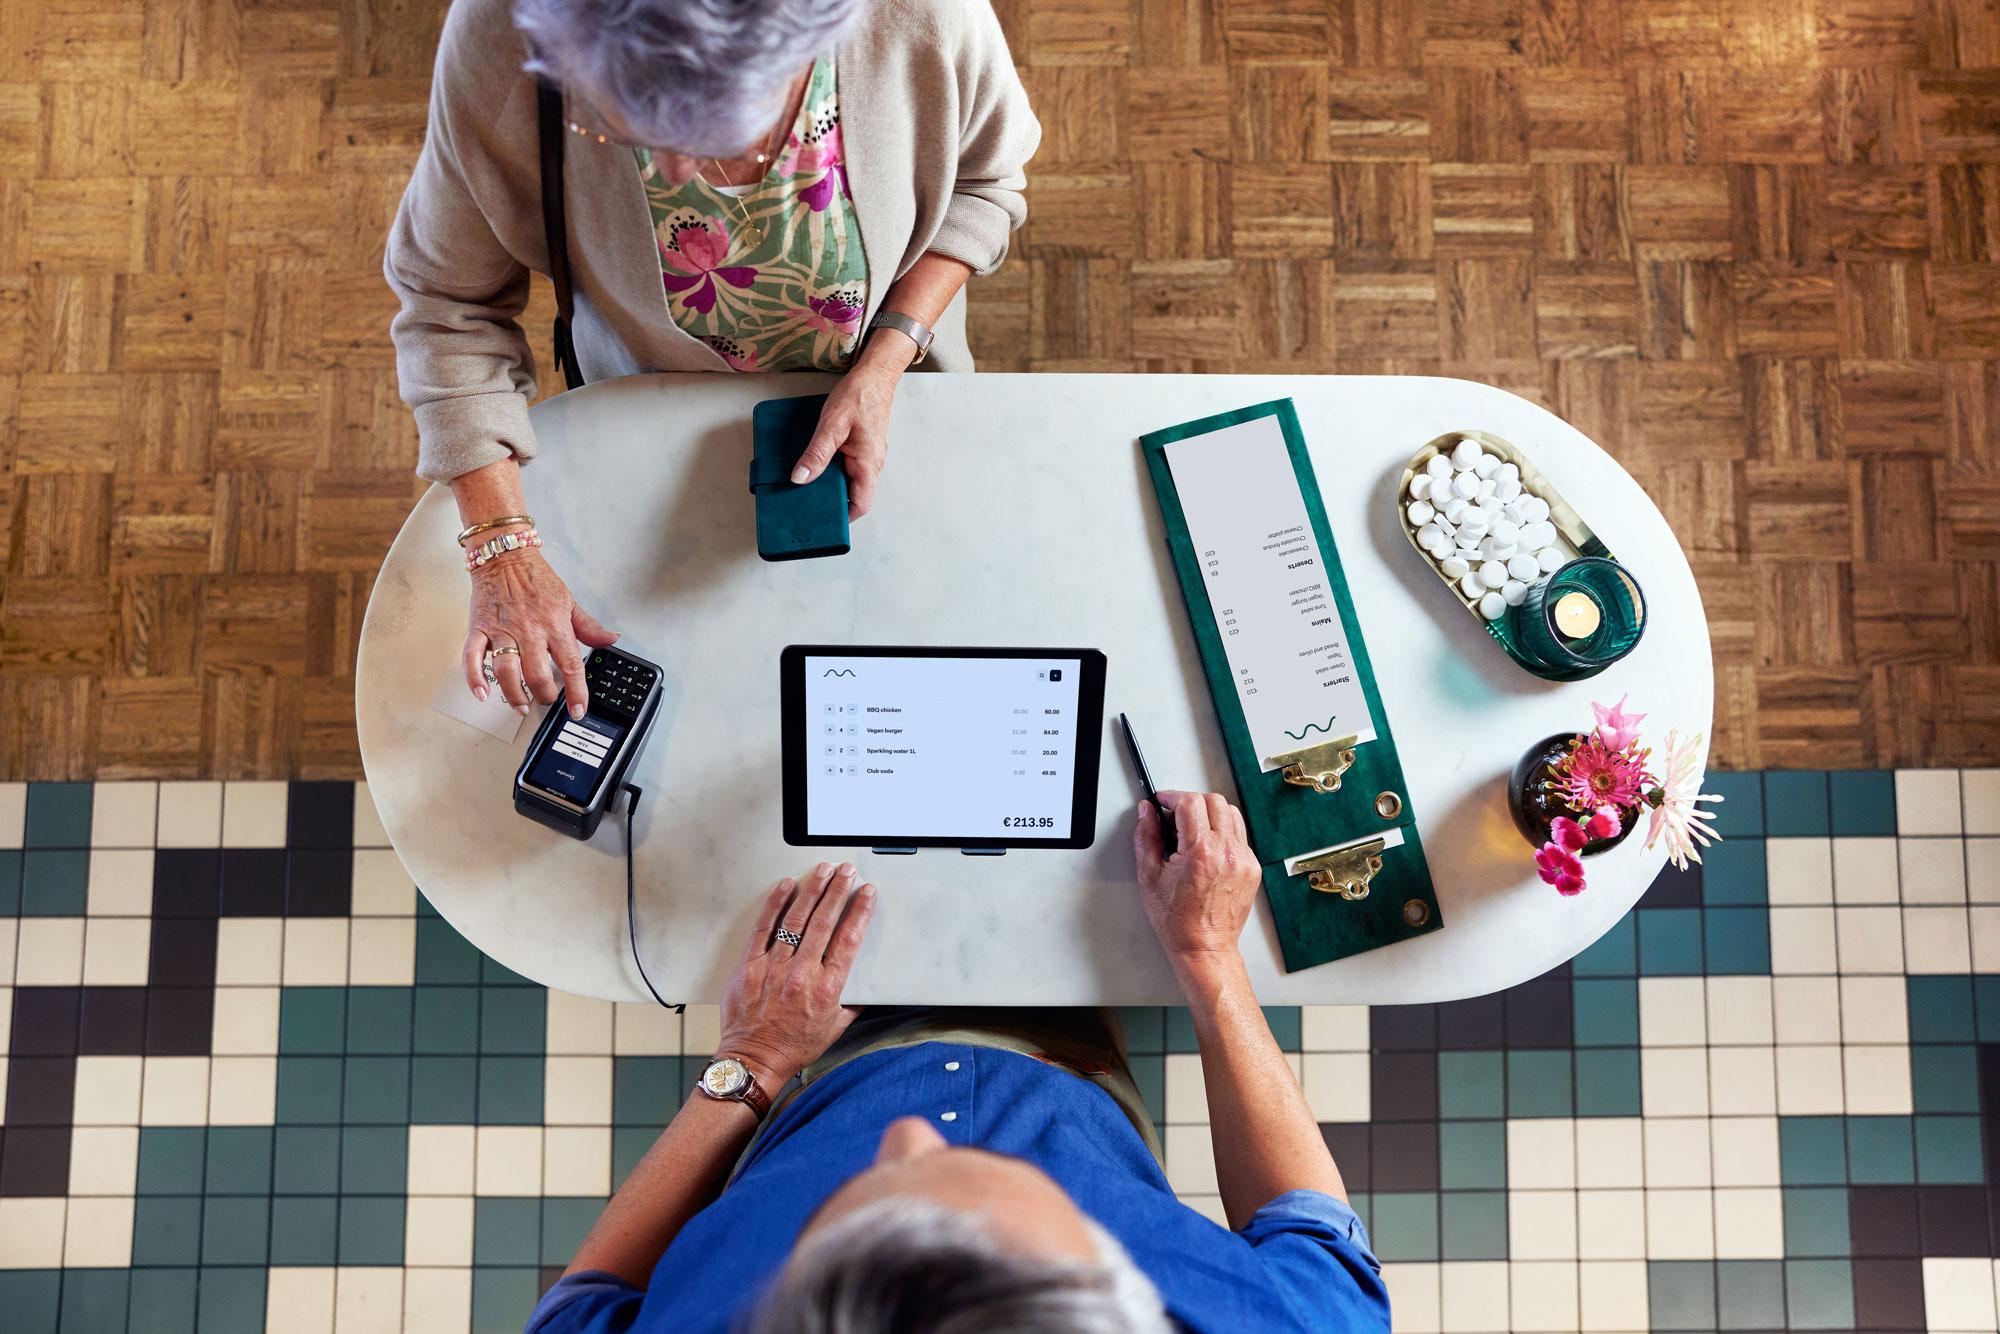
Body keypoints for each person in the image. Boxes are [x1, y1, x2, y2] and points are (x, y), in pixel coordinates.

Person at [385, 0, 1039, 721]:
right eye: (621, 125)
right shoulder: (502, 33)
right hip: (639, 427)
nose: (675, 169)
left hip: (896, 392)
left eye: (724, 135)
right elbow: (447, 302)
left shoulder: (926, 14)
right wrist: (499, 547)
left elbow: (983, 184)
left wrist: (887, 359)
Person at [528, 791, 1390, 1332]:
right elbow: (1307, 1222)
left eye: (868, 1197)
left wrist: (750, 1062)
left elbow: (580, 1303)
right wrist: (1208, 956)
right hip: (1075, 1055)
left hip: (803, 1065)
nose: (907, 1134)